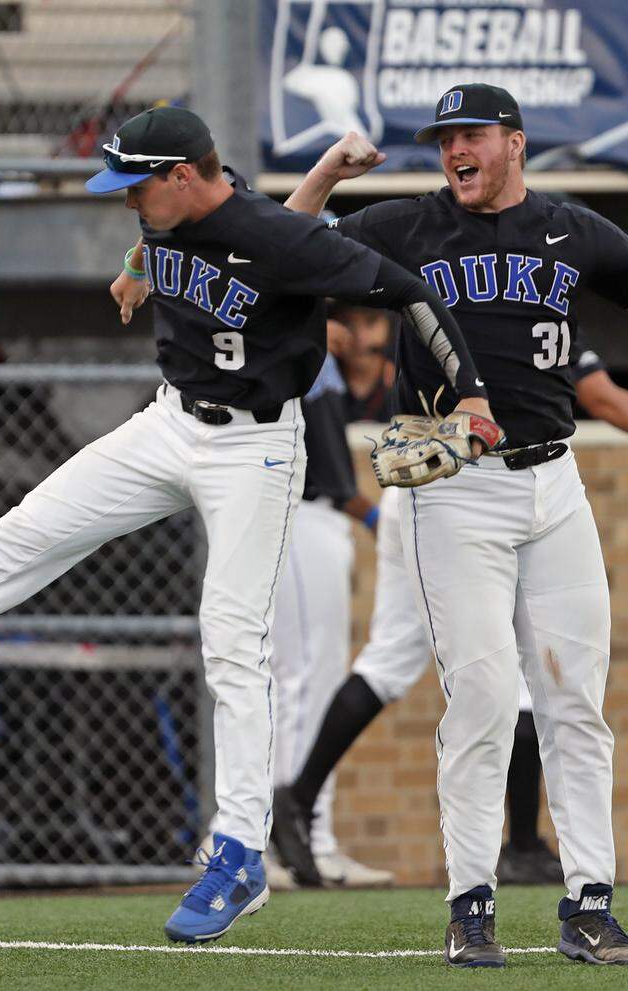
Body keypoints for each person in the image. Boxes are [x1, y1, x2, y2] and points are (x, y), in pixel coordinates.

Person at [0, 106, 494, 945]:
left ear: (181, 175)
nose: (125, 200)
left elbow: (406, 288)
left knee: (232, 637)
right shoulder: (184, 206)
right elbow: (195, 229)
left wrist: (467, 394)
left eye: (136, 185)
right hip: (168, 422)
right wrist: (142, 263)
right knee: (19, 536)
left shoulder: (268, 234)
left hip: (254, 448)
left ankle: (241, 850)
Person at [281, 83, 628, 967]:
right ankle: (471, 902)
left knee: (576, 699)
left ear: (516, 144)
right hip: (453, 484)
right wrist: (324, 172)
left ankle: (591, 903)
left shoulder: (570, 229)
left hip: (555, 482)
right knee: (487, 698)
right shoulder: (407, 227)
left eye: (472, 134)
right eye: (445, 136)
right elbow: (288, 250)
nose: (454, 148)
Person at [274, 338, 628, 891]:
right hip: (472, 494)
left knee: (390, 662)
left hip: (425, 486)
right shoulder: (522, 275)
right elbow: (604, 398)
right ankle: (518, 845)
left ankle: (298, 799)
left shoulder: (472, 267)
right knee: (515, 675)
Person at [200, 319, 395, 891]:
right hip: (299, 514)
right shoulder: (284, 334)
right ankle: (260, 839)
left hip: (317, 516)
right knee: (304, 678)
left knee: (304, 677)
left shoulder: (326, 360)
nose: (351, 328)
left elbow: (337, 458)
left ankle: (303, 838)